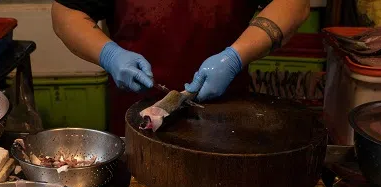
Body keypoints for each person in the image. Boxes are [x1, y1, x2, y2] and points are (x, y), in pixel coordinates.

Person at [52, 0, 311, 133]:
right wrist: (110, 55)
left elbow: (294, 4)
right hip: (137, 116)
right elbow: (66, 13)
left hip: (231, 114)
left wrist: (235, 56)